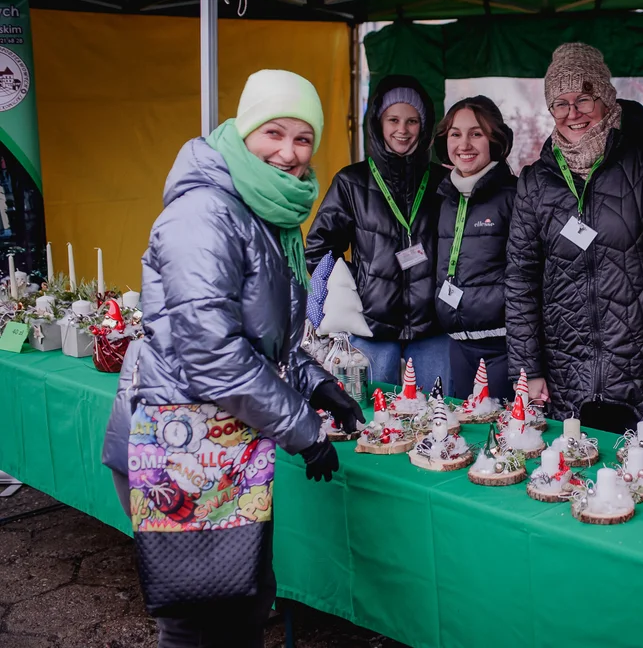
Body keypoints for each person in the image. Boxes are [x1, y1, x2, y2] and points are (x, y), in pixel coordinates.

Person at [100, 69, 362, 647]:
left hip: (227, 443)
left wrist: (317, 385)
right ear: (243, 132)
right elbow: (211, 354)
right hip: (182, 442)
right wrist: (302, 428)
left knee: (239, 609)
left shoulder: (264, 211)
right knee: (198, 620)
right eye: (274, 132)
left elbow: (265, 338)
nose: (289, 153)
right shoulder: (205, 214)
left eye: (303, 138)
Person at [506, 43, 643, 439]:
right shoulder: (535, 182)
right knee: (572, 481)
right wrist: (529, 370)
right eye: (561, 103)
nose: (573, 113)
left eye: (584, 99)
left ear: (606, 99)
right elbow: (520, 280)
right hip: (565, 370)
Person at [305, 76, 449, 392]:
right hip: (371, 329)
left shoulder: (442, 182)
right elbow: (319, 248)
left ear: (423, 126)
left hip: (433, 328)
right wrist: (359, 284)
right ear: (378, 123)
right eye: (393, 119)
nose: (403, 129)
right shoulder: (351, 182)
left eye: (412, 121)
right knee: (373, 420)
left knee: (440, 420)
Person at [433, 96, 518, 400]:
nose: (464, 144)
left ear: (495, 139)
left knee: (501, 438)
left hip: (502, 347)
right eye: (456, 134)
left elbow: (528, 274)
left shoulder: (513, 195)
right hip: (457, 343)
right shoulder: (445, 197)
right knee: (464, 437)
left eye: (476, 134)